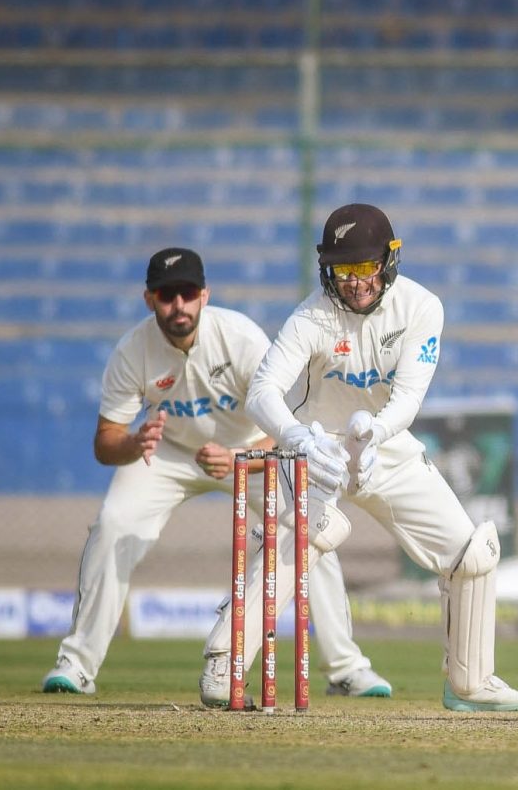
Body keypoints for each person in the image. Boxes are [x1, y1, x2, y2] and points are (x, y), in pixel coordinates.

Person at [200, 203, 518, 712]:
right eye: (343, 270)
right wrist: (300, 437)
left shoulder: (423, 307)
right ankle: (225, 662)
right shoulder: (312, 314)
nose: (354, 282)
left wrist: (375, 432)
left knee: (472, 554)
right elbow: (263, 392)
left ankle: (471, 682)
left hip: (386, 444)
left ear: (388, 261)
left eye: (364, 268)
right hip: (318, 446)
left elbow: (408, 398)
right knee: (298, 540)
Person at [41, 248, 392, 703]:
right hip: (164, 454)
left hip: (253, 450)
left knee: (309, 530)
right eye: (167, 296)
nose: (178, 305)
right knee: (112, 527)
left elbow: (292, 422)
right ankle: (76, 664)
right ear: (150, 300)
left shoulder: (239, 338)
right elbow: (104, 442)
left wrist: (240, 455)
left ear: (204, 295)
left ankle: (347, 669)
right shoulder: (133, 352)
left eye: (187, 293)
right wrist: (134, 443)